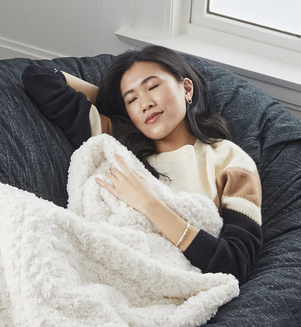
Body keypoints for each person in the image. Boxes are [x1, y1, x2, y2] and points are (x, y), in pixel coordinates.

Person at [21, 47, 264, 282]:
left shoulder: (229, 160)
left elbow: (235, 262)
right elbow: (40, 78)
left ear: (186, 88)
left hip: (170, 279)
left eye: (153, 87)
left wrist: (147, 203)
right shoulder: (116, 141)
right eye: (132, 99)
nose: (145, 103)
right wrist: (114, 104)